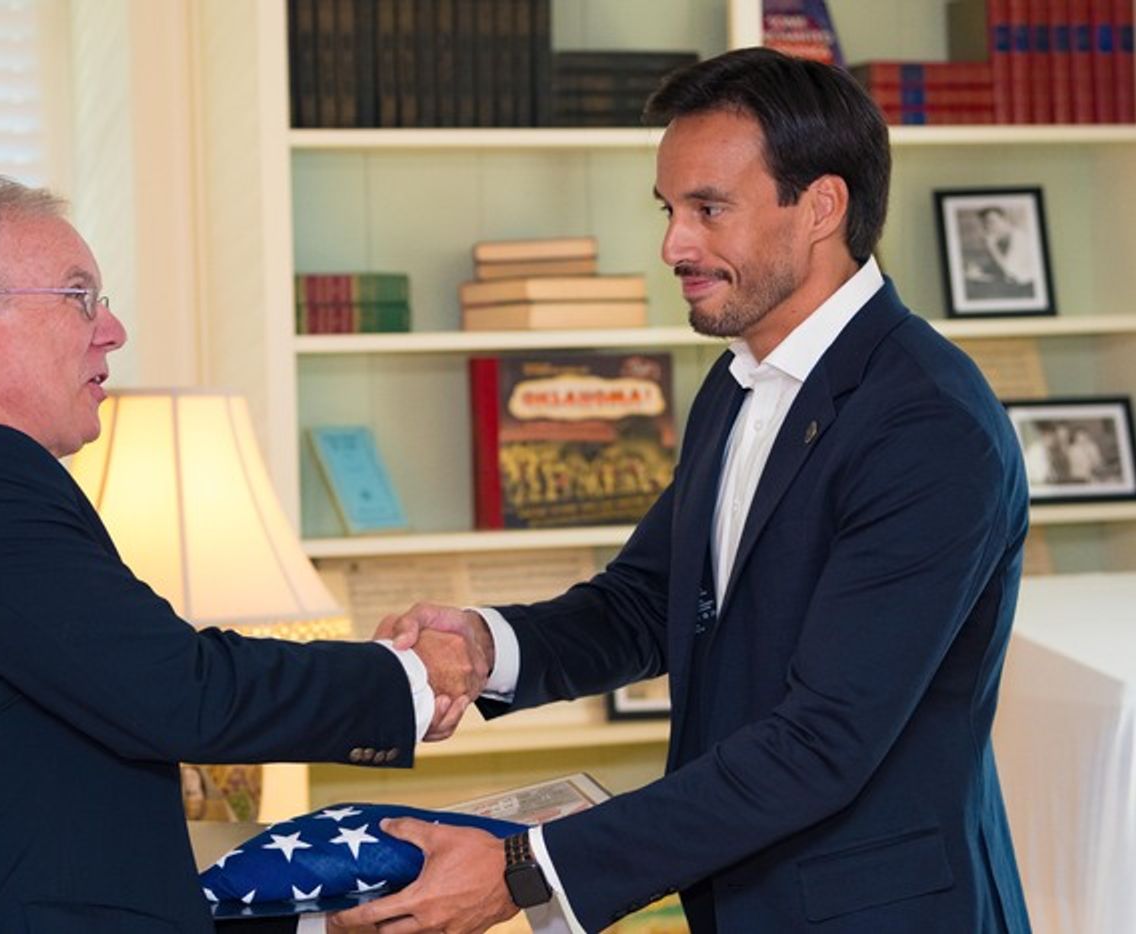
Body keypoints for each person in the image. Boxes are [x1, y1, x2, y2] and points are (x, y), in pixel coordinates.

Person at [334, 47, 1032, 934]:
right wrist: (485, 644)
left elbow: (822, 744)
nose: (673, 244)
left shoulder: (929, 424)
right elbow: (651, 601)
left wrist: (526, 870)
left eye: (709, 209)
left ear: (822, 206)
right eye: (669, 210)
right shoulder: (737, 380)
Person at [0, 175, 483, 933]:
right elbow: (178, 693)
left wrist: (312, 924)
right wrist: (409, 676)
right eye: (79, 297)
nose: (113, 329)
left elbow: (63, 828)